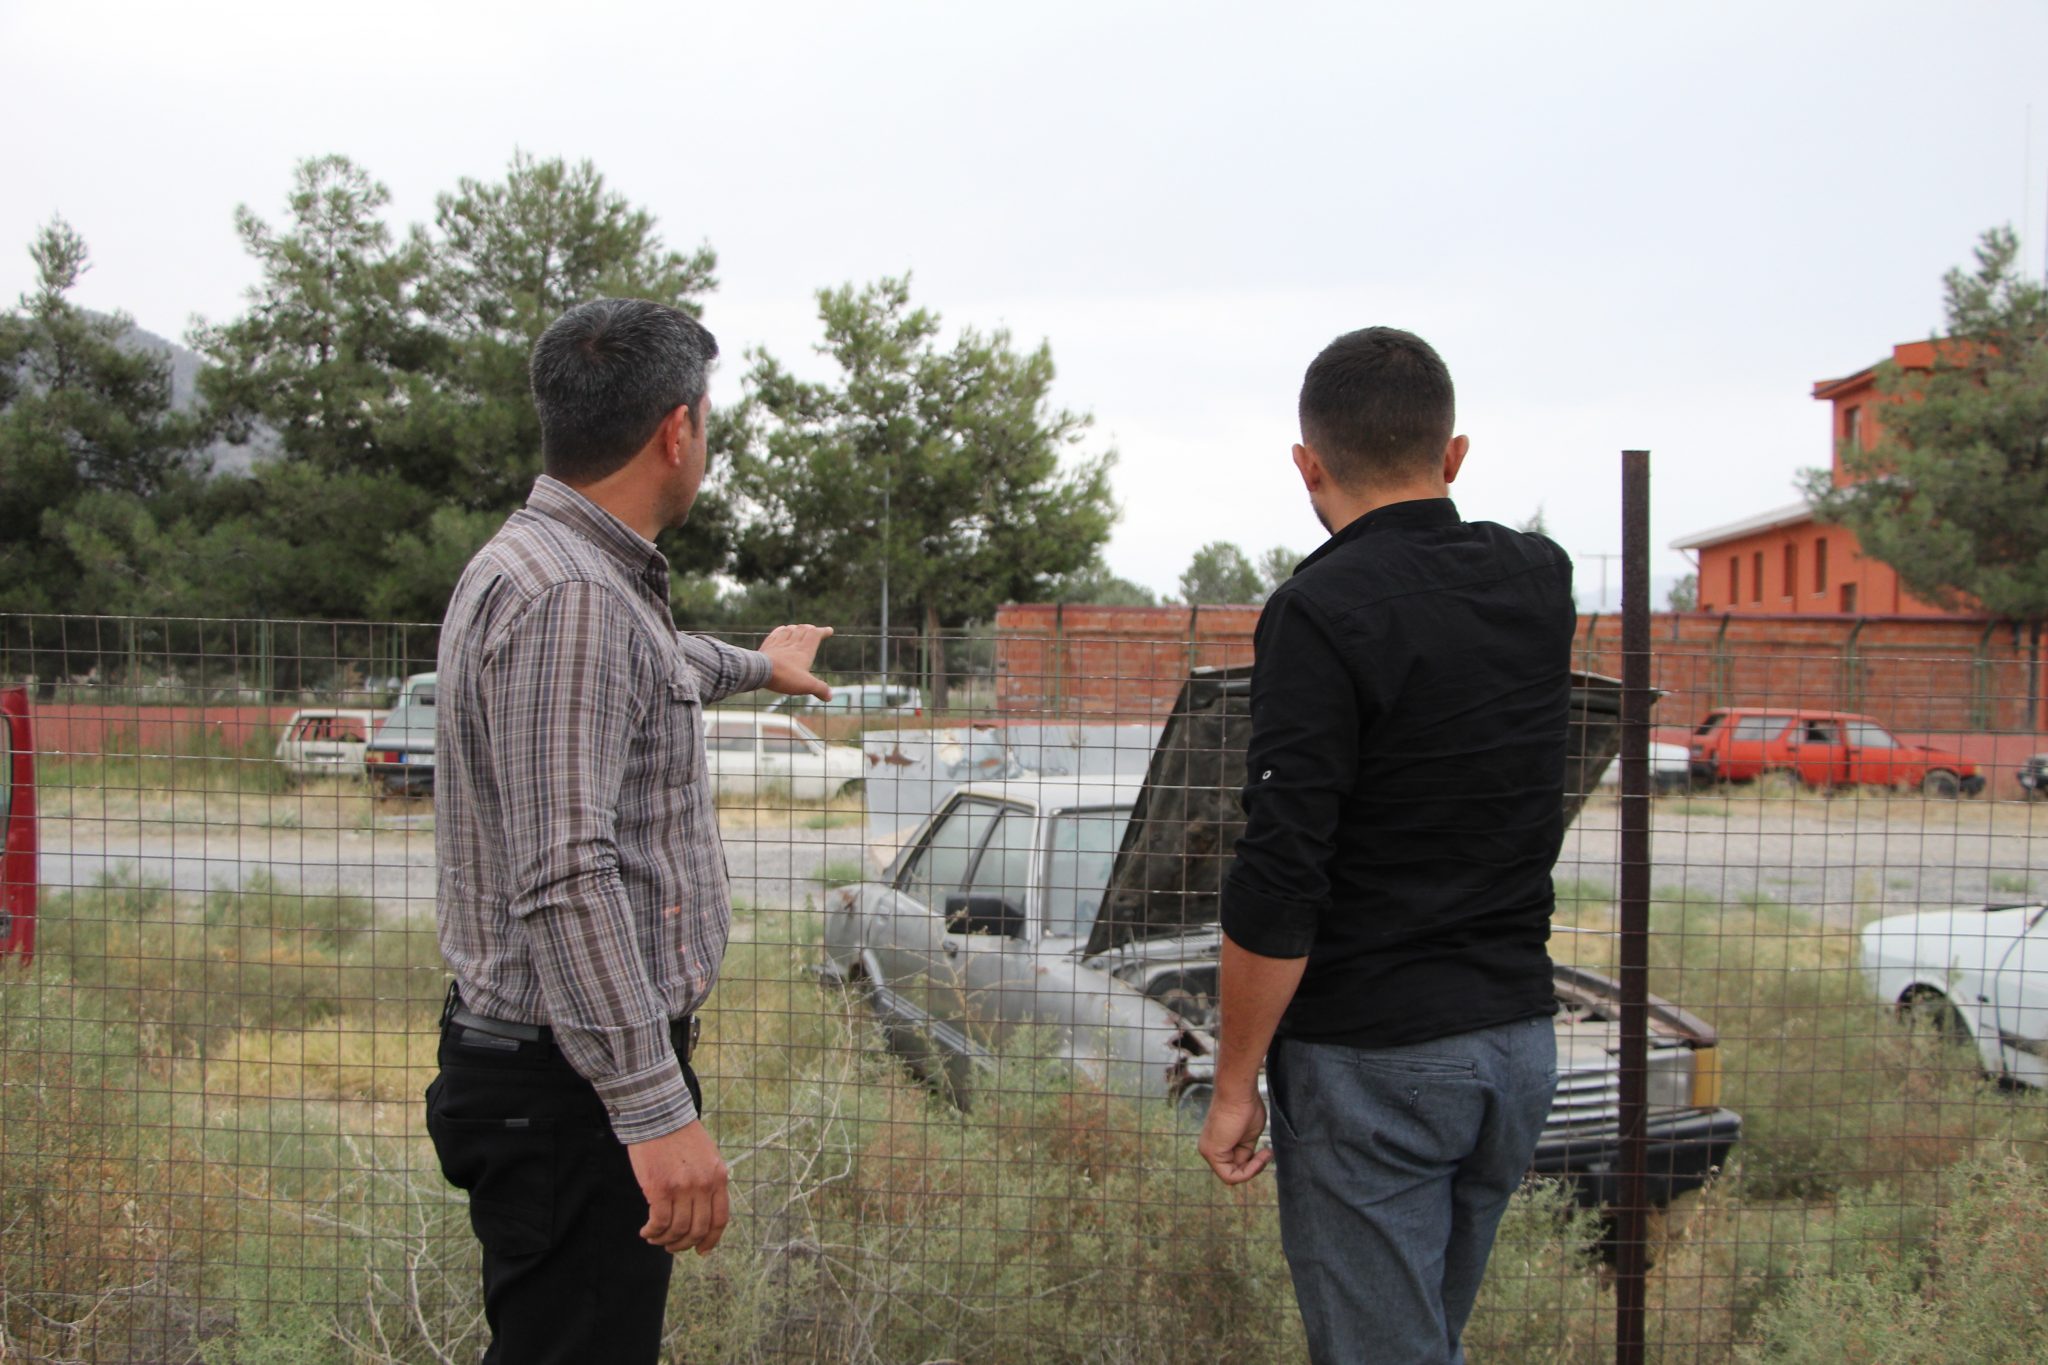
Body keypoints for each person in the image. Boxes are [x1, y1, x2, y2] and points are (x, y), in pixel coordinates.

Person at [426, 297, 835, 1363]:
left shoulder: (567, 573)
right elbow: (565, 874)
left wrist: (759, 666)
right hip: (572, 1090)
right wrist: (651, 1111)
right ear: (674, 429)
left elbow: (657, 669)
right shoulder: (573, 595)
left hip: (558, 1073)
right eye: (708, 420)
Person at [1196, 327, 1575, 1365]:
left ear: (1305, 466)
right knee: (1420, 1342)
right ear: (1452, 456)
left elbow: (1280, 873)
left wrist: (1234, 1085)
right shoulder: (1539, 580)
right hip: (1515, 1046)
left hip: (1376, 1064)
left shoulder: (1316, 612)